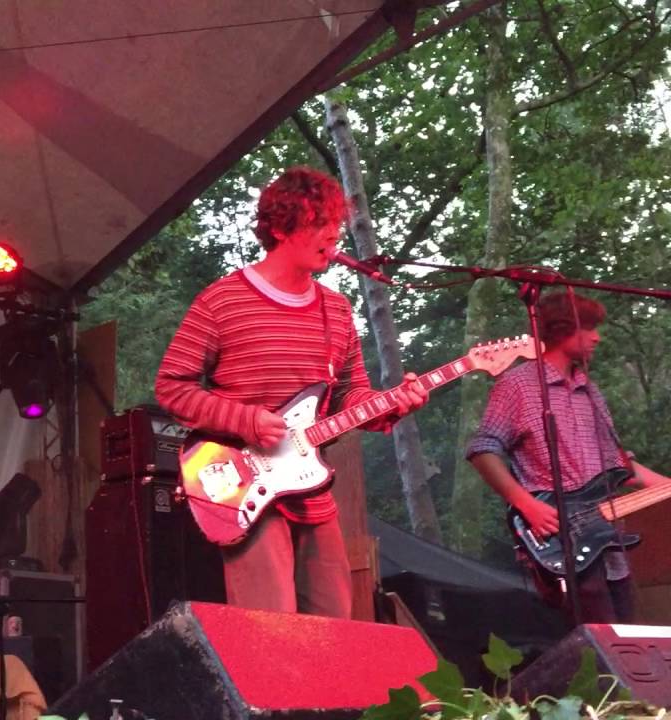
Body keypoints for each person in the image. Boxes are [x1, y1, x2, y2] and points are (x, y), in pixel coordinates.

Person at [154, 166, 427, 617]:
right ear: (280, 227)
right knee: (272, 627)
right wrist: (246, 420)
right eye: (319, 223)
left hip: (311, 489)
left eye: (335, 223)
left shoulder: (337, 312)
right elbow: (171, 387)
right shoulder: (221, 301)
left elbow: (350, 397)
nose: (333, 234)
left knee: (336, 623)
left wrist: (391, 404)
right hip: (244, 485)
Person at [466, 292, 671, 622]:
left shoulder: (589, 389)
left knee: (629, 638)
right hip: (560, 539)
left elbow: (622, 468)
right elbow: (482, 450)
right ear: (562, 329)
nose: (597, 337)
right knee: (598, 646)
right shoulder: (517, 385)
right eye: (588, 328)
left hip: (606, 539)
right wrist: (526, 504)